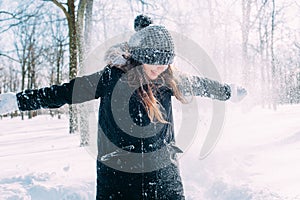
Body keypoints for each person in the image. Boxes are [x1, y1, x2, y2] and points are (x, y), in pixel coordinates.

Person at [0, 15, 247, 199]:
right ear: (140, 55)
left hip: (163, 171)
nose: (159, 68)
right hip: (117, 173)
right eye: (153, 62)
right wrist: (18, 100)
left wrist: (229, 92)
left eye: (164, 63)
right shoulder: (111, 78)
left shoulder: (169, 79)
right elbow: (66, 92)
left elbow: (201, 84)